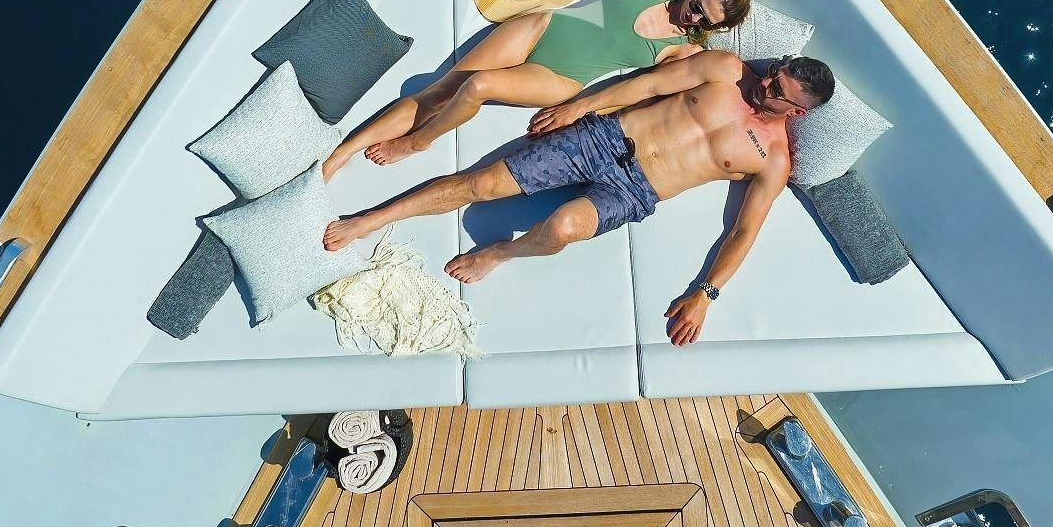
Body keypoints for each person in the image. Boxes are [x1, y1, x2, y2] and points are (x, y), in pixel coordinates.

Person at [322, 52, 836, 347]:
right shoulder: (727, 70)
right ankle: (371, 219)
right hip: (603, 138)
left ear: (796, 112)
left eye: (776, 89)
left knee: (564, 230)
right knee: (480, 185)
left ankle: (499, 253)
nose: (764, 81)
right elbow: (647, 84)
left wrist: (706, 294)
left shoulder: (772, 160)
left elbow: (744, 231)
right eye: (775, 71)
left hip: (634, 190)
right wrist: (578, 108)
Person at [321, 0, 752, 180]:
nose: (692, 12)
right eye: (700, 1)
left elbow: (645, 88)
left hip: (561, 78)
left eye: (706, 18)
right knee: (441, 87)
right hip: (544, 26)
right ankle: (343, 152)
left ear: (714, 28)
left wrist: (579, 112)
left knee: (477, 85)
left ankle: (418, 142)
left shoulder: (680, 50)